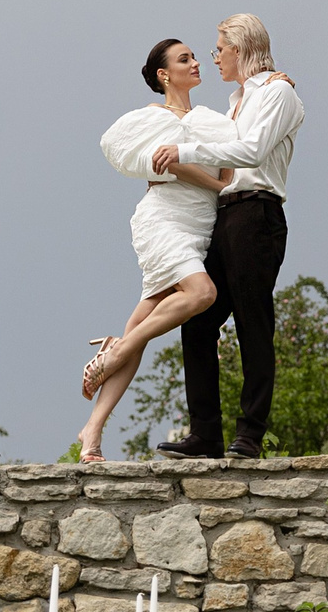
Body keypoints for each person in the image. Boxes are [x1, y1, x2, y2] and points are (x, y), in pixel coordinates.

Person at [76, 39, 240, 462]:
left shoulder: (212, 120)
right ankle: (121, 348)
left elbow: (230, 162)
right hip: (164, 221)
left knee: (139, 330)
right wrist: (218, 185)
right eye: (185, 59)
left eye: (196, 56)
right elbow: (168, 164)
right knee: (202, 294)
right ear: (164, 74)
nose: (196, 62)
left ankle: (91, 432)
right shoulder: (148, 119)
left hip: (200, 226)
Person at [148, 13, 303, 459]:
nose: (213, 58)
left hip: (258, 214)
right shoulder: (236, 101)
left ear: (240, 48)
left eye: (217, 49)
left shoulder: (278, 93)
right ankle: (206, 434)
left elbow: (251, 151)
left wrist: (184, 151)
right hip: (227, 215)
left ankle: (249, 435)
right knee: (197, 321)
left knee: (253, 323)